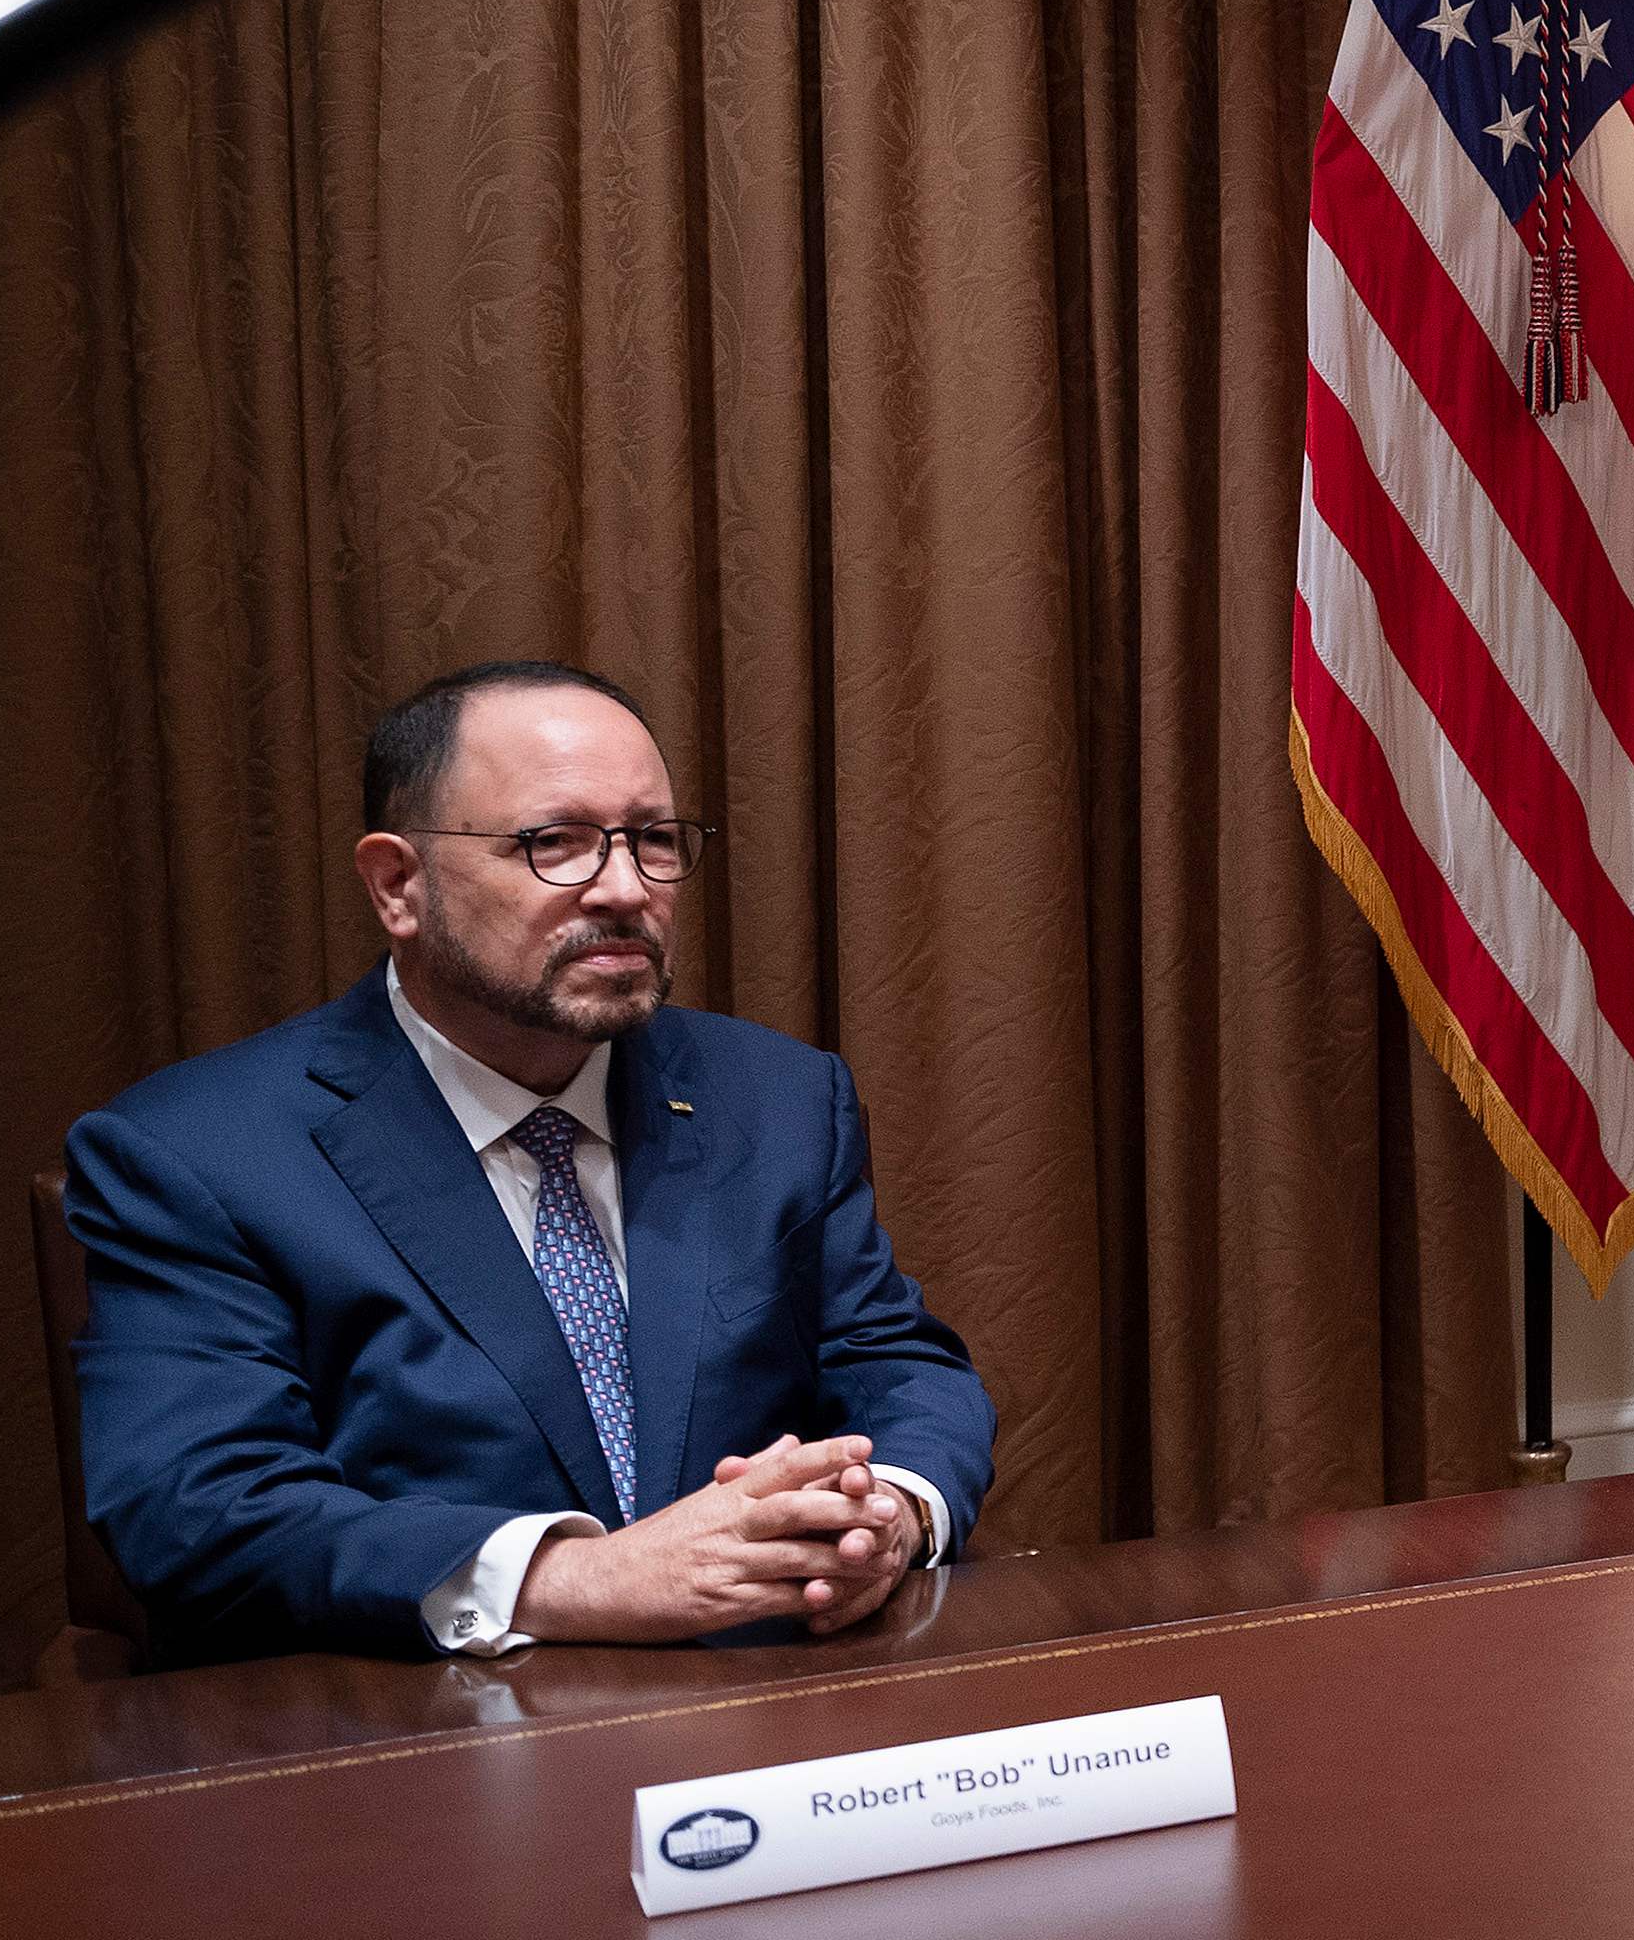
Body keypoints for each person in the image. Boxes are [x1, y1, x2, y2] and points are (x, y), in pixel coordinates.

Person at [67, 664, 995, 1664]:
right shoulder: (197, 1153)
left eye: (653, 839)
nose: (627, 889)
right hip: (417, 1745)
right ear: (397, 885)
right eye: (555, 843)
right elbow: (197, 1504)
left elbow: (896, 1365)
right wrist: (572, 1579)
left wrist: (891, 1511)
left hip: (764, 1711)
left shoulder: (775, 1098)